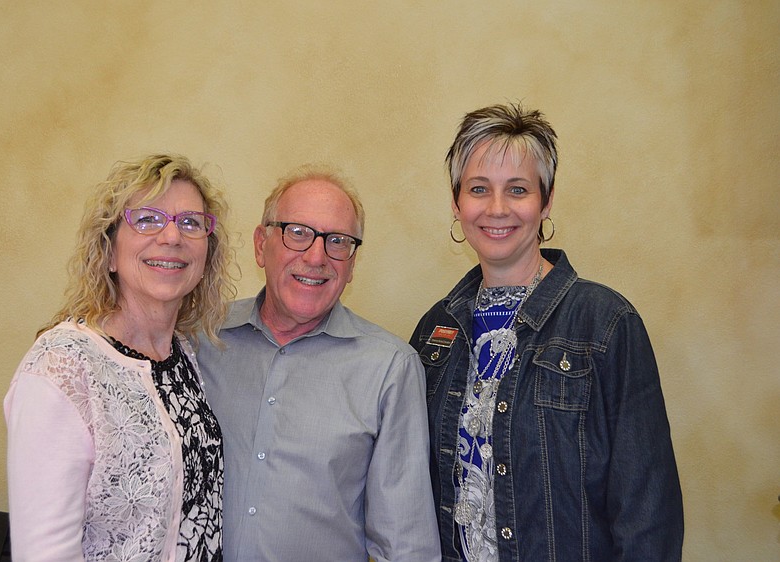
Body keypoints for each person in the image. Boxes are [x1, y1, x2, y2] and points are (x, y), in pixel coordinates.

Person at [410, 103, 684, 561]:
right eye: (479, 189)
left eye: (517, 189)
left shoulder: (606, 324)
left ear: (546, 199)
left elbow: (648, 513)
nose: (497, 208)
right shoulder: (435, 333)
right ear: (457, 202)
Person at [197, 165, 441, 562]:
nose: (316, 257)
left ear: (352, 263)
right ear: (261, 245)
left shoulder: (389, 369)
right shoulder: (200, 340)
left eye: (338, 241)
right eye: (297, 232)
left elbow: (406, 546)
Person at [5, 154, 234, 561]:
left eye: (190, 223)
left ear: (205, 257)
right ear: (109, 252)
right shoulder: (63, 369)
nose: (171, 237)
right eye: (146, 219)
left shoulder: (186, 354)